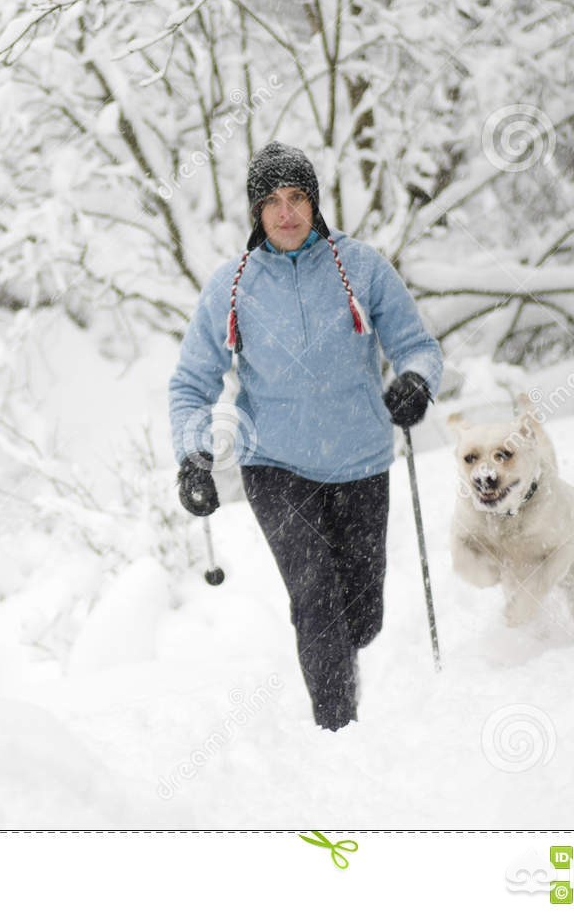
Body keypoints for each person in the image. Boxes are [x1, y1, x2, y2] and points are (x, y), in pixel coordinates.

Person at [168, 141, 443, 732]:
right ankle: (336, 730)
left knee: (362, 616)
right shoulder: (231, 286)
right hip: (275, 464)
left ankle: (345, 671)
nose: (285, 213)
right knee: (313, 595)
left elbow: (418, 346)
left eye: (296, 198)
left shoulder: (363, 267)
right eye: (270, 202)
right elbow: (192, 382)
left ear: (314, 203)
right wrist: (192, 457)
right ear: (255, 212)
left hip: (361, 459)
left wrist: (416, 382)